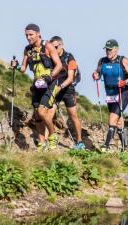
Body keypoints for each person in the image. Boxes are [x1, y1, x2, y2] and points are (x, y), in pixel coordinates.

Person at [14, 23, 62, 151]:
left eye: (31, 35)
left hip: (50, 84)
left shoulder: (48, 46)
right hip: (36, 85)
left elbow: (59, 65)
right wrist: (17, 66)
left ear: (38, 34)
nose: (28, 37)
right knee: (37, 116)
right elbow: (24, 69)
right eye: (26, 35)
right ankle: (42, 143)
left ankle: (52, 135)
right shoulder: (27, 49)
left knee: (42, 111)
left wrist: (50, 77)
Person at [92, 39, 128, 152]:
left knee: (112, 119)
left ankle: (106, 145)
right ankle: (124, 147)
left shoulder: (123, 60)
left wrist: (124, 82)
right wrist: (95, 75)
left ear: (116, 49)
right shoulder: (102, 61)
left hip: (123, 93)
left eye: (110, 50)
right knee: (118, 121)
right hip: (110, 94)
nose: (108, 52)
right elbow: (98, 72)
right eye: (106, 49)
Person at [49, 36, 85, 150]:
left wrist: (60, 87)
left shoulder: (69, 58)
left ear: (61, 45)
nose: (53, 49)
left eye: (55, 47)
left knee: (73, 116)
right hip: (56, 89)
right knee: (49, 115)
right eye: (52, 47)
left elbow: (70, 78)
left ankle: (79, 142)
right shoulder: (51, 56)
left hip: (67, 89)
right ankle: (49, 140)